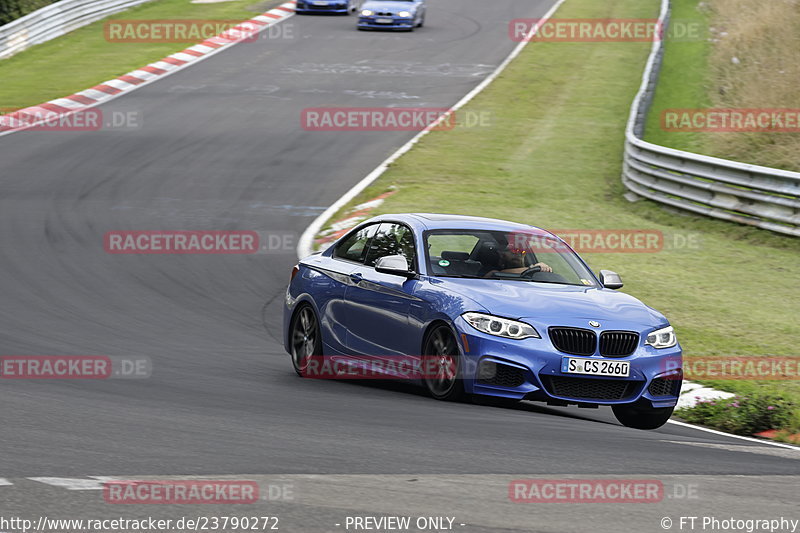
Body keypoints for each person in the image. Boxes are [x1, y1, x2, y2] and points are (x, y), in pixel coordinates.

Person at [483, 245, 552, 278]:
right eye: (513, 251)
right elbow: (497, 273)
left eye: (522, 251)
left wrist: (545, 269)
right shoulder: (493, 273)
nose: (518, 254)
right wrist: (533, 268)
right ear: (502, 254)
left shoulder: (534, 274)